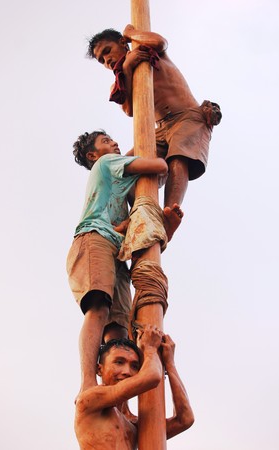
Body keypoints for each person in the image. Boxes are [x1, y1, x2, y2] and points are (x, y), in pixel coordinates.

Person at [66, 130, 182, 391]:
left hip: (116, 251)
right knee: (99, 309)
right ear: (92, 155)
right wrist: (151, 151)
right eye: (106, 141)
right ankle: (87, 382)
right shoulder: (105, 163)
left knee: (119, 332)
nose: (115, 143)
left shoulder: (118, 182)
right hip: (93, 238)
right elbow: (159, 165)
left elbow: (130, 232)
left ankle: (120, 401)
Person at [87, 26, 222, 209]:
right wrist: (127, 68)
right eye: (101, 60)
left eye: (107, 51)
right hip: (161, 128)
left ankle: (170, 211)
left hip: (186, 117)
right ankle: (141, 214)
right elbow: (129, 110)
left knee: (178, 157)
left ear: (122, 43)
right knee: (124, 168)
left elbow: (160, 42)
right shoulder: (119, 82)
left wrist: (131, 34)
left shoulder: (147, 51)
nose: (107, 60)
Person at [75, 324, 194, 450]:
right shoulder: (89, 399)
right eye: (119, 362)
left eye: (135, 366)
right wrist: (149, 348)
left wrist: (170, 364)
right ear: (99, 369)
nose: (127, 371)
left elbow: (185, 419)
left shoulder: (133, 425)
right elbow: (152, 376)